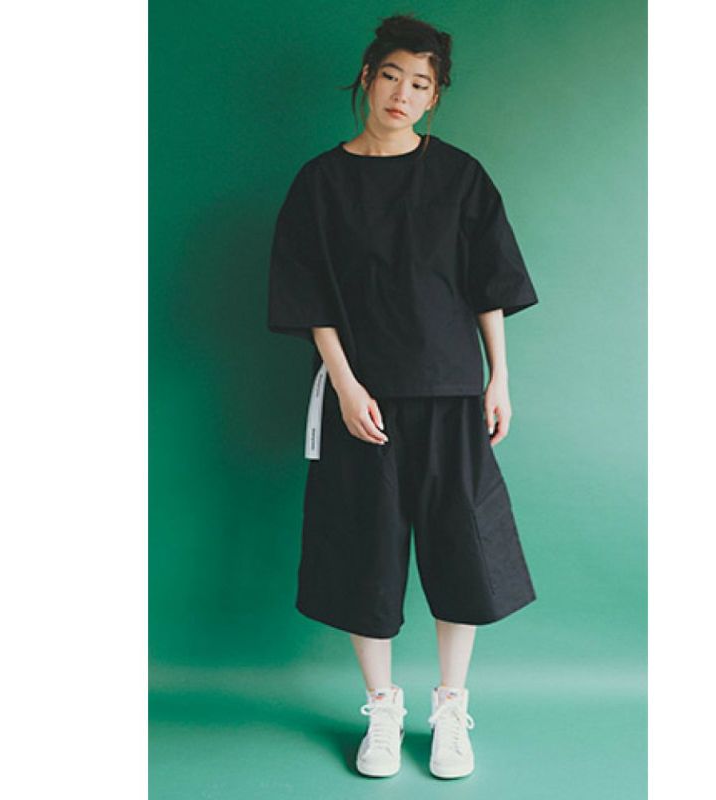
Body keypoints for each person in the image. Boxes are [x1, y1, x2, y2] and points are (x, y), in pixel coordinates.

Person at [267, 13, 540, 780]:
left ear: (434, 97)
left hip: (453, 392)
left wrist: (499, 376)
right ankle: (382, 710)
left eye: (421, 83)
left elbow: (488, 284)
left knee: (462, 550)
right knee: (365, 553)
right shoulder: (320, 183)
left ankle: (450, 709)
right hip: (366, 401)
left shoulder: (460, 177)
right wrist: (345, 383)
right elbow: (309, 295)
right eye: (392, 75)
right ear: (366, 77)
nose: (402, 93)